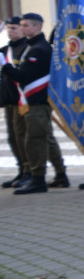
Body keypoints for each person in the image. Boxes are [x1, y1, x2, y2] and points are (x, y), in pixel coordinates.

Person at [1, 13, 59, 194]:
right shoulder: (32, 47)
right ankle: (34, 175)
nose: (22, 28)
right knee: (27, 139)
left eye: (25, 25)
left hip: (37, 101)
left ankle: (38, 179)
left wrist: (5, 67)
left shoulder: (39, 49)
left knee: (36, 140)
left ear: (37, 27)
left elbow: (25, 76)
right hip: (28, 101)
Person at [1, 16, 28, 188]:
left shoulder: (26, 48)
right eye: (9, 29)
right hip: (8, 99)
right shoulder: (5, 50)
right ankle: (21, 169)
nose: (11, 32)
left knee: (22, 137)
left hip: (22, 100)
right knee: (12, 138)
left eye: (14, 28)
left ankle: (28, 171)